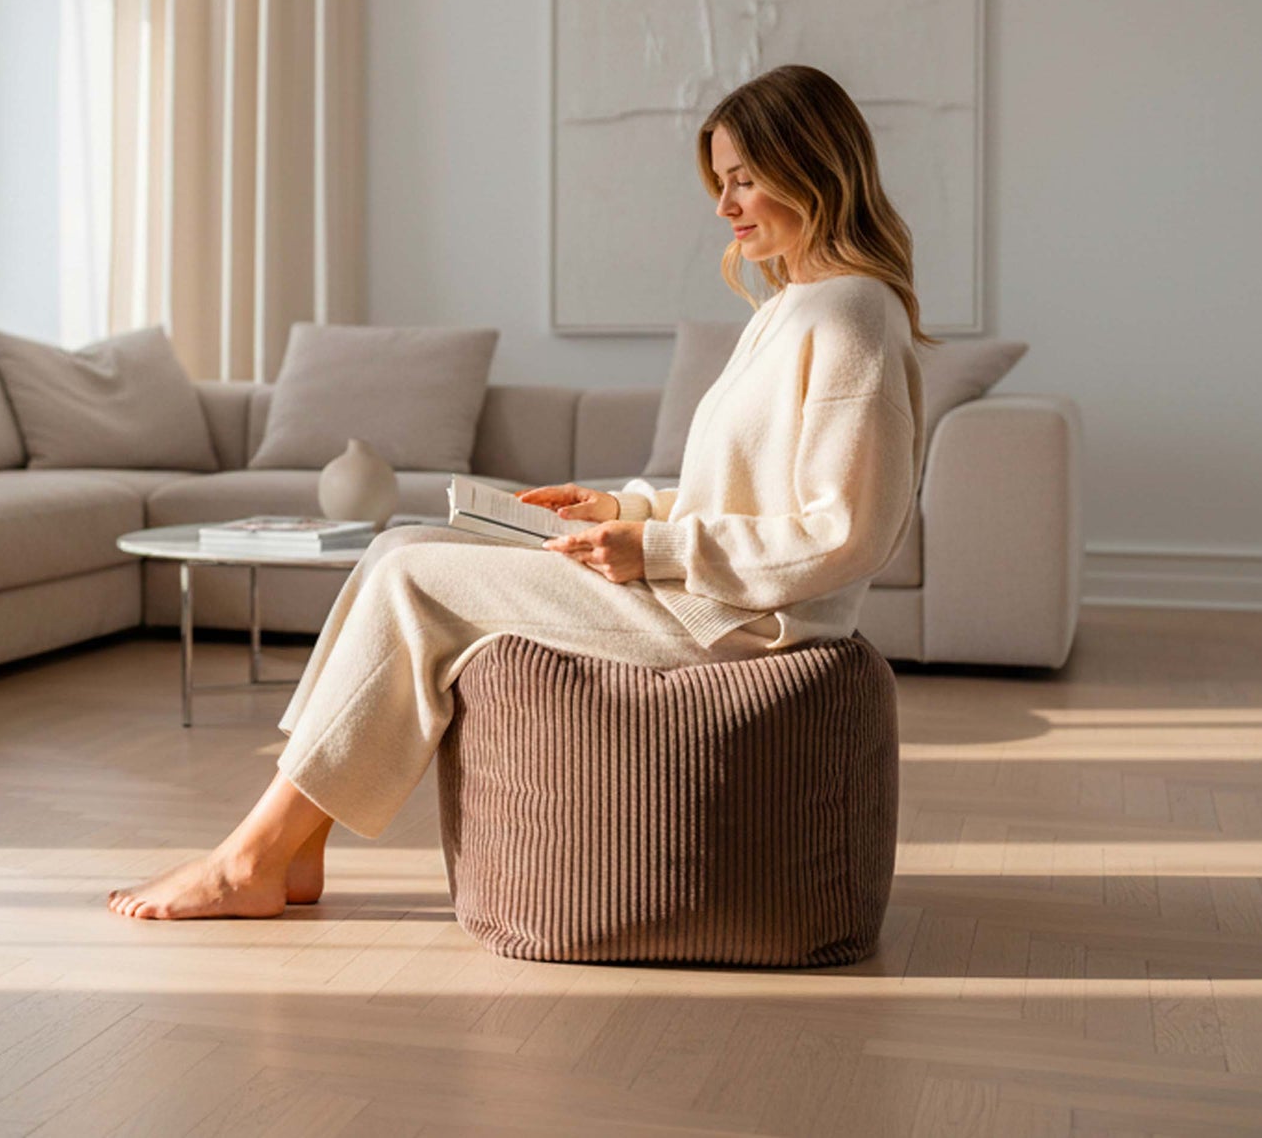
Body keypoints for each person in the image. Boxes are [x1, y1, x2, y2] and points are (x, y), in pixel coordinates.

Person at [107, 64, 937, 919]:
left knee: (413, 579)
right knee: (399, 546)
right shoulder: (789, 310)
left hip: (743, 620)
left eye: (744, 180)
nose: (724, 207)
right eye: (720, 183)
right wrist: (624, 510)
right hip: (699, 587)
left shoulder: (851, 316)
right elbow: (738, 492)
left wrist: (651, 549)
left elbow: (846, 533)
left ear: (813, 167)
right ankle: (300, 844)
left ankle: (252, 858)